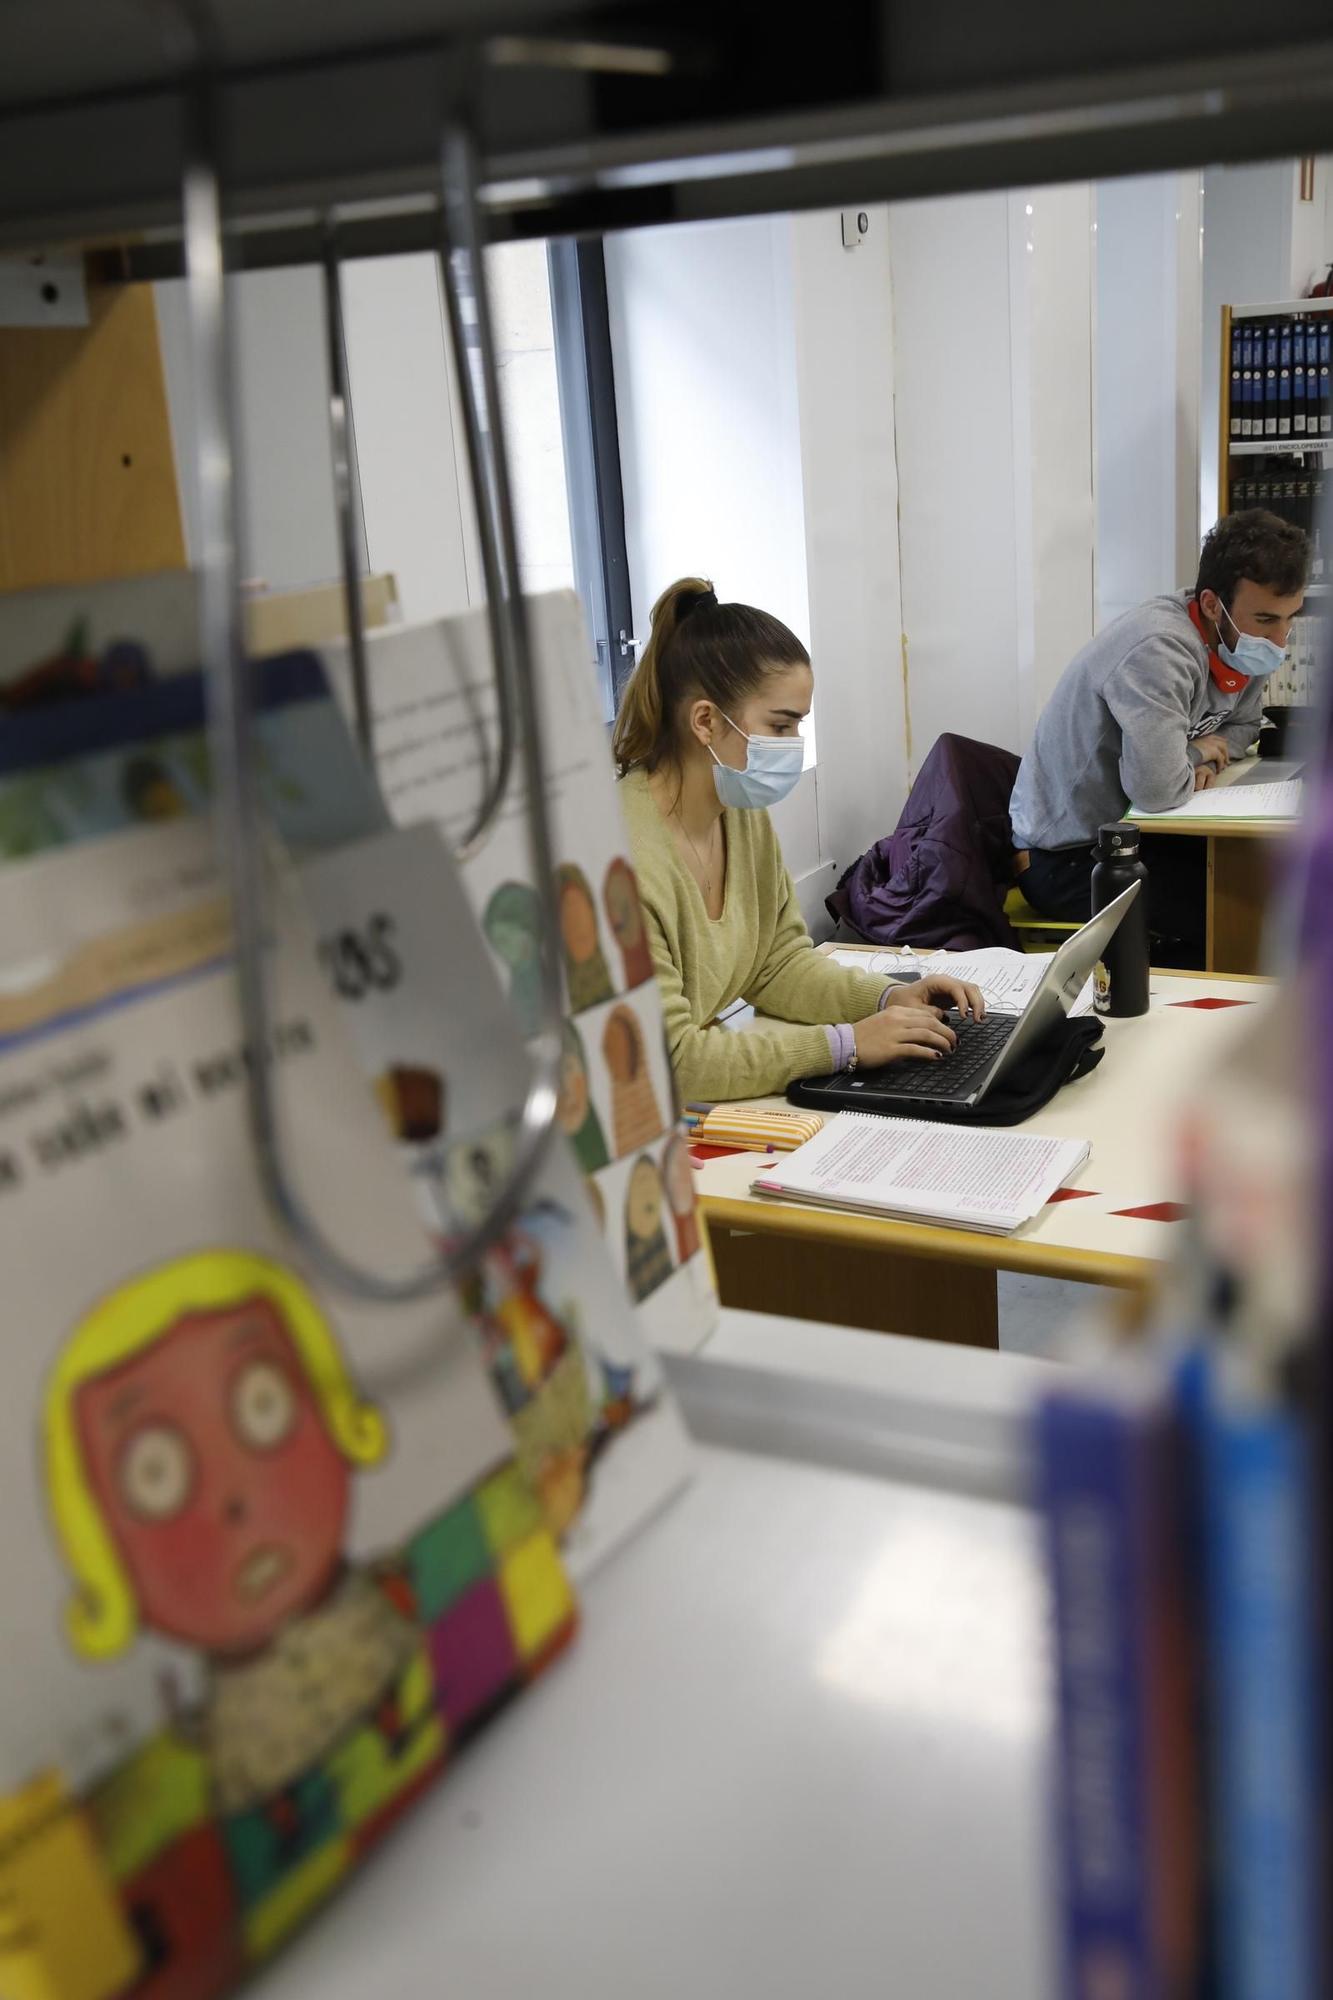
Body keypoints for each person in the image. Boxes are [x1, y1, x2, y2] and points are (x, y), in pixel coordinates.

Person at [615, 577, 984, 1103]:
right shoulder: (622, 859)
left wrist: (888, 999)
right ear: (705, 722)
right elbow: (671, 1062)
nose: (792, 745)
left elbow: (777, 964)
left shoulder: (737, 811)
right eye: (780, 725)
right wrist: (845, 1046)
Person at [1010, 509, 1309, 960]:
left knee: (1274, 880)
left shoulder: (1238, 645)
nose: (1281, 640)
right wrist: (1190, 756)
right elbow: (1156, 790)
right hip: (1068, 858)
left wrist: (1199, 756)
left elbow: (1244, 726)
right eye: (1267, 619)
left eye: (1291, 618)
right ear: (1212, 604)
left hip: (1138, 832)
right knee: (1251, 913)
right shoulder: (1159, 648)